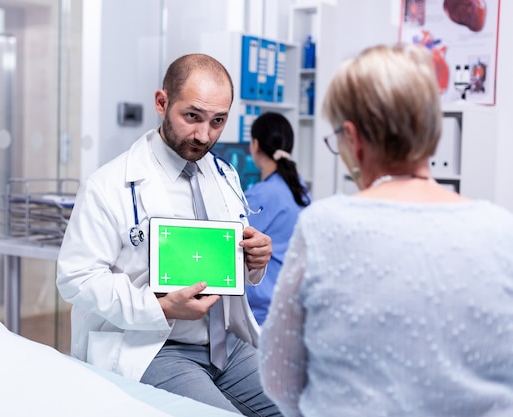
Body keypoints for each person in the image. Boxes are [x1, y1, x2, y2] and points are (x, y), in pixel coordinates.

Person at [258, 43, 513, 417]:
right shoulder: (501, 229)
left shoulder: (324, 227)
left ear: (353, 138)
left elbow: (280, 379)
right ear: (434, 134)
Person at [57, 53, 282, 416]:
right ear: (162, 102)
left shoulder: (225, 176)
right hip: (155, 345)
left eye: (218, 121)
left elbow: (228, 261)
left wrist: (255, 259)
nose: (204, 135)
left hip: (226, 345)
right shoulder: (108, 185)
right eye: (192, 116)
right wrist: (158, 306)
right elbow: (75, 278)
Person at [243, 112, 311, 325]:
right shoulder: (301, 189)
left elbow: (228, 242)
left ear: (255, 145)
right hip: (290, 303)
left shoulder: (261, 196)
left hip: (261, 311)